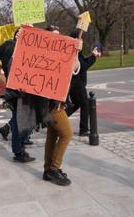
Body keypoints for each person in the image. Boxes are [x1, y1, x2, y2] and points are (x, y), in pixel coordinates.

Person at [42, 26, 83, 186]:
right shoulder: (43, 56)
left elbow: (75, 69)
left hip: (58, 101)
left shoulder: (61, 55)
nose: (57, 40)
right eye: (54, 37)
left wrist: (76, 51)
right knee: (67, 134)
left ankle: (48, 170)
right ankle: (53, 168)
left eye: (60, 37)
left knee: (53, 135)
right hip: (49, 104)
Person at [0, 29, 35, 163]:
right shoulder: (14, 48)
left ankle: (19, 147)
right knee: (22, 121)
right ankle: (19, 150)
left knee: (22, 119)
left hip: (15, 88)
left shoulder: (8, 47)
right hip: (19, 89)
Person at [65, 29, 101, 136]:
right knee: (85, 105)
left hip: (76, 84)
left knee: (75, 104)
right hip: (77, 84)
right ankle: (84, 129)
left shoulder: (76, 52)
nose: (82, 42)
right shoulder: (73, 52)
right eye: (80, 40)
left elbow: (82, 62)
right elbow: (83, 66)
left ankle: (55, 121)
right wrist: (93, 56)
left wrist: (92, 55)